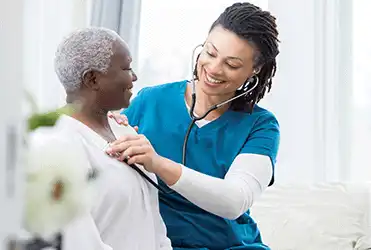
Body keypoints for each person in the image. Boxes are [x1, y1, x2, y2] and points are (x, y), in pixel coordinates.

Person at [108, 2, 280, 249]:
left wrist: (158, 163)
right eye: (210, 52)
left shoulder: (261, 126)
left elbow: (235, 201)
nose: (213, 68)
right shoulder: (150, 101)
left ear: (255, 71)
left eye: (231, 64)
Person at [52, 27, 172, 250]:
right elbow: (81, 244)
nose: (134, 76)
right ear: (93, 79)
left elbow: (155, 226)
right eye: (126, 68)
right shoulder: (59, 145)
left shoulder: (125, 131)